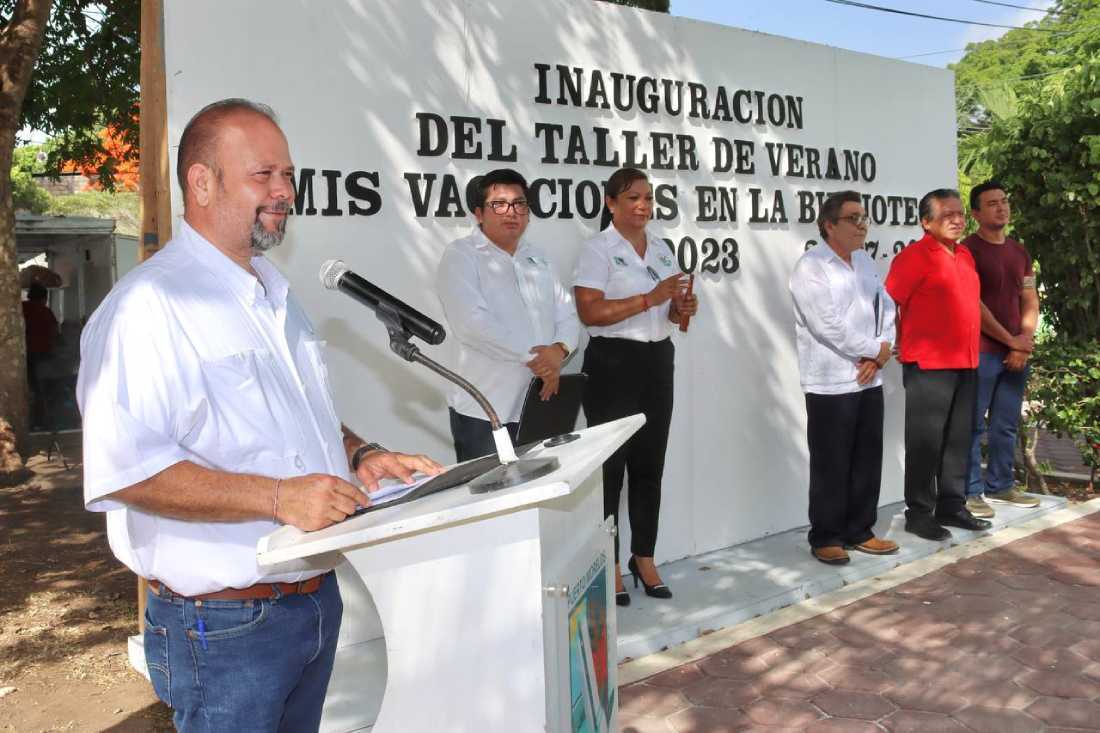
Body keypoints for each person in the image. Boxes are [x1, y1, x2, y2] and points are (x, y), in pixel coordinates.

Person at [76, 98, 441, 732]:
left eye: (289, 175)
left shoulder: (273, 291)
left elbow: (300, 415)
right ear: (202, 181)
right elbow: (124, 470)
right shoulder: (148, 308)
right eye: (264, 175)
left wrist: (360, 453)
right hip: (221, 628)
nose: (284, 192)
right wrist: (276, 497)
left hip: (311, 603)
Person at [573, 166, 698, 606]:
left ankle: (643, 557)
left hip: (657, 361)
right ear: (611, 203)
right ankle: (607, 563)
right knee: (610, 470)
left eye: (648, 198)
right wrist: (652, 297)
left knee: (649, 466)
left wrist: (682, 306)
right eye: (632, 198)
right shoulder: (596, 249)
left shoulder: (662, 249)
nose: (643, 206)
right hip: (613, 363)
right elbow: (590, 313)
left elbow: (672, 316)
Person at [435, 169, 580, 461]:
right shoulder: (461, 256)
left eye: (519, 204)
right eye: (499, 204)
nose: (511, 212)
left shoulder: (537, 257)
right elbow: (472, 325)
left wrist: (559, 350)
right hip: (485, 408)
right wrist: (539, 361)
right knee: (491, 502)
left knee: (537, 496)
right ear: (479, 213)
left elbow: (567, 313)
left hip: (538, 403)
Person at [790, 191, 899, 565]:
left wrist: (882, 350)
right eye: (852, 218)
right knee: (832, 461)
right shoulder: (811, 267)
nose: (862, 224)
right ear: (829, 225)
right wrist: (873, 350)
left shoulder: (866, 262)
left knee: (867, 457)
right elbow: (827, 326)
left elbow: (886, 307)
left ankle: (860, 530)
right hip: (830, 379)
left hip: (868, 377)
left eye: (863, 217)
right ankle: (826, 535)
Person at [885, 189, 992, 541]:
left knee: (958, 439)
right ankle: (919, 512)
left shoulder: (964, 255)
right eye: (947, 215)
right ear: (926, 221)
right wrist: (893, 341)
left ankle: (952, 505)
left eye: (960, 213)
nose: (957, 220)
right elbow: (888, 304)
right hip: (929, 364)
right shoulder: (914, 257)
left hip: (966, 361)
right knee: (926, 441)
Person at [960, 181, 1041, 518]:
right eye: (992, 203)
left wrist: (1024, 340)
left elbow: (1029, 298)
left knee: (1006, 424)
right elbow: (973, 305)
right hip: (980, 351)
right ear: (976, 213)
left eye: (1004, 201)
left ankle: (1002, 485)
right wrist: (1011, 341)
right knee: (973, 425)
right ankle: (970, 491)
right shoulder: (968, 250)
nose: (1001, 208)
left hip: (1015, 351)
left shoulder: (1019, 252)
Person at [22, 283, 60, 429]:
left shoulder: (22, 308)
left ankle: (31, 422)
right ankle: (42, 422)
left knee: (30, 390)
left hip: (25, 357)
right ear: (44, 298)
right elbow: (55, 334)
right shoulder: (45, 312)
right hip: (42, 357)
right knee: (42, 391)